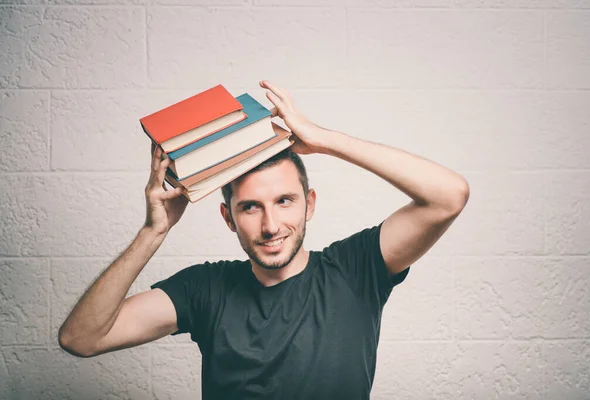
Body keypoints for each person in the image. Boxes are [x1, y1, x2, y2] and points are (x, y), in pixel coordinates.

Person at [58, 80, 470, 399]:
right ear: (228, 217)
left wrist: (324, 140)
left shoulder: (355, 268)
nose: (271, 225)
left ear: (309, 204)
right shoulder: (205, 288)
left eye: (285, 201)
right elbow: (82, 339)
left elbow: (448, 196)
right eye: (251, 207)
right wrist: (153, 232)